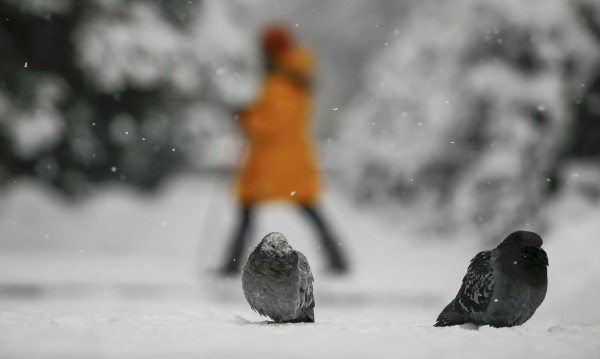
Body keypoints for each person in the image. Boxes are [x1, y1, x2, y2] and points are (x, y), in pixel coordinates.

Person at [220, 24, 349, 275]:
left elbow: (274, 123)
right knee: (301, 205)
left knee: (253, 205)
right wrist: (250, 114)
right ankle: (337, 257)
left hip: (278, 157)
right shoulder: (290, 76)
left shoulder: (283, 81)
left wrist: (245, 118)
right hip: (282, 157)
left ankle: (232, 262)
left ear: (271, 50)